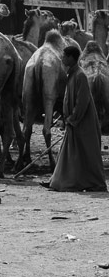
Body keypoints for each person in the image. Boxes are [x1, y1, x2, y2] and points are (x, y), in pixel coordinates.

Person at [47, 45, 108, 192]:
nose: (62, 59)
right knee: (70, 152)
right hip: (76, 121)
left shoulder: (80, 75)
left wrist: (72, 119)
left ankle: (91, 182)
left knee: (86, 154)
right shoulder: (73, 75)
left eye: (64, 56)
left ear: (71, 58)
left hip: (83, 123)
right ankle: (58, 181)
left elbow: (82, 101)